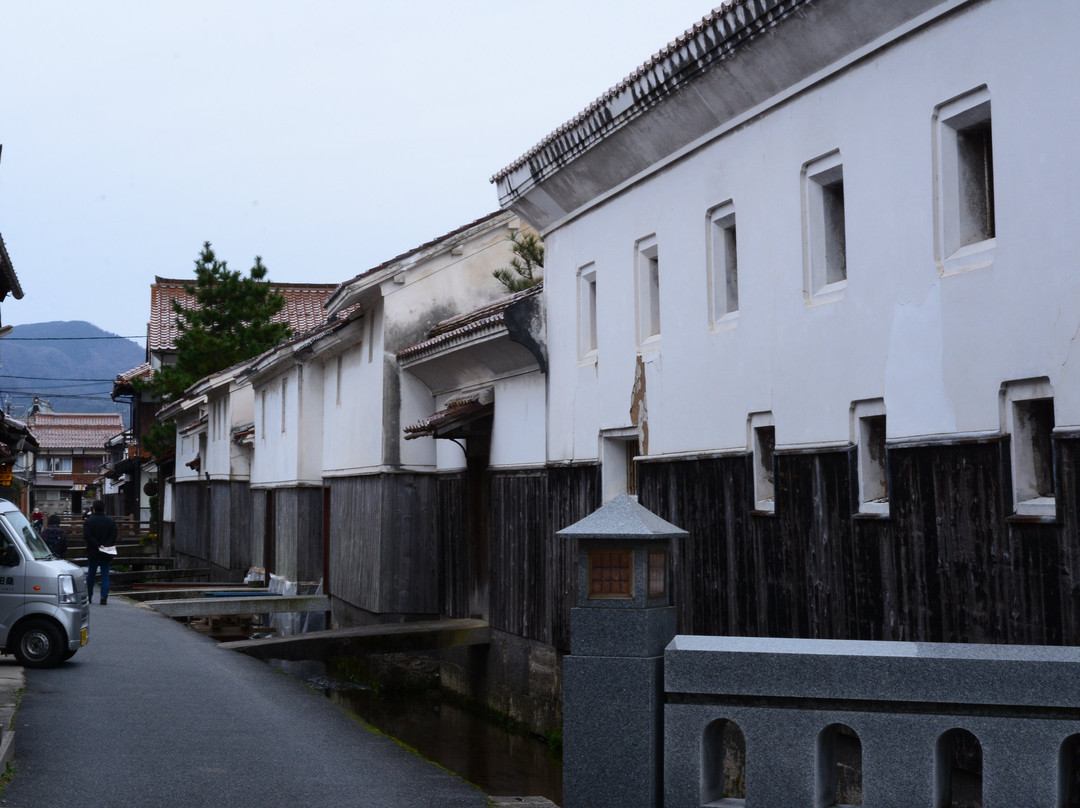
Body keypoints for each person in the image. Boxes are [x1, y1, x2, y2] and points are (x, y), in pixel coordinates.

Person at [84, 500, 117, 605]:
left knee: (91, 574)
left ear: (93, 509)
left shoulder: (89, 522)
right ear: (104, 509)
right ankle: (104, 597)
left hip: (93, 550)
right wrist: (105, 545)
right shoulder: (111, 522)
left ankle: (89, 595)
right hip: (107, 551)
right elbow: (113, 535)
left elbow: (88, 536)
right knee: (105, 574)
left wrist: (98, 544)